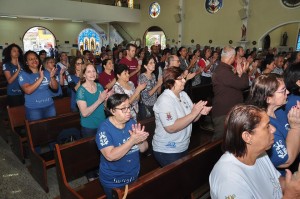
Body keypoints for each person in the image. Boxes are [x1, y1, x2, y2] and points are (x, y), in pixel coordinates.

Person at [209, 104, 300, 199]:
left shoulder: (260, 153)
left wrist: (293, 183)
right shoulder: (228, 178)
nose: (273, 129)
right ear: (247, 137)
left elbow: (276, 183)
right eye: (267, 126)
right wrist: (291, 195)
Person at [152, 67, 212, 167]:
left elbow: (191, 119)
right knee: (176, 180)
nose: (184, 80)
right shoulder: (164, 100)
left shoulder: (183, 94)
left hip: (182, 146)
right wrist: (194, 113)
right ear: (171, 82)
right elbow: (171, 127)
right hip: (167, 149)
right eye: (180, 78)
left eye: (183, 78)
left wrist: (200, 112)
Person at [96, 93, 149, 199]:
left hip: (133, 176)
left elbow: (144, 149)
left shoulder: (131, 122)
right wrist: (132, 141)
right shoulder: (104, 130)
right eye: (123, 109)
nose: (128, 111)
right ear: (112, 111)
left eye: (128, 107)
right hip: (114, 182)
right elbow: (110, 156)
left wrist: (140, 141)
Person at [246, 74, 300, 175]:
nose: (287, 92)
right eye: (283, 90)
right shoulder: (263, 125)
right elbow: (286, 160)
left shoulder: (279, 110)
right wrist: (296, 127)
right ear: (268, 99)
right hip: (281, 179)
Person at [211, 46, 249, 141]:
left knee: (229, 140)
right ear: (232, 57)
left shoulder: (225, 69)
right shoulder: (223, 71)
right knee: (219, 142)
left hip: (229, 111)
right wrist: (244, 72)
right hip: (223, 113)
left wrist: (239, 74)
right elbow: (243, 84)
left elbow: (233, 83)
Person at [18, 50, 58, 121]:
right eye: (31, 59)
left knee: (52, 128)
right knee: (37, 130)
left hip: (49, 105)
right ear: (26, 62)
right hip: (34, 108)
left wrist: (52, 77)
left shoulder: (45, 72)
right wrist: (41, 78)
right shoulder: (23, 74)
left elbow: (55, 88)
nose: (34, 60)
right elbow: (28, 90)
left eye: (35, 58)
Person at [76, 63, 109, 137]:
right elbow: (84, 113)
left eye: (94, 71)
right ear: (84, 75)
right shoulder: (81, 91)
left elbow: (104, 106)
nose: (92, 74)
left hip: (102, 123)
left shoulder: (99, 86)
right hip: (89, 127)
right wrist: (99, 101)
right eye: (89, 72)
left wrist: (106, 100)